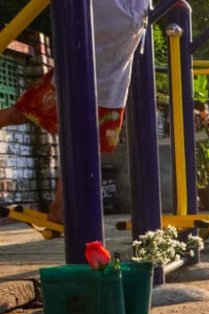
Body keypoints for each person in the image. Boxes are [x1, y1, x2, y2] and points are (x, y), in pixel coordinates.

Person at [0, 0, 149, 224]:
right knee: (20, 114)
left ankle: (60, 210)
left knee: (84, 147)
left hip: (109, 87)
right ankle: (60, 210)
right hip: (75, 76)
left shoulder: (140, 5)